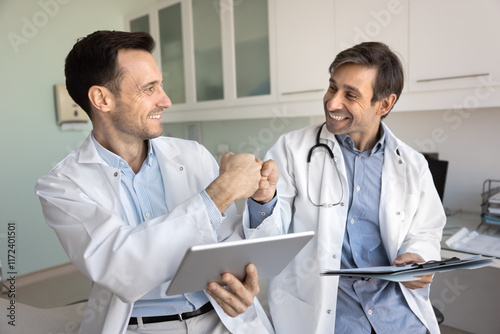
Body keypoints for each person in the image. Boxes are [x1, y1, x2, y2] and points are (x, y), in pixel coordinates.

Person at [34, 30, 278, 334]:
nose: (166, 101)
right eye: (149, 89)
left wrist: (261, 202)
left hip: (223, 320)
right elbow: (122, 268)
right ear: (101, 98)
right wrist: (222, 191)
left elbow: (227, 243)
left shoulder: (192, 154)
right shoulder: (62, 185)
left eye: (160, 85)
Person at [252, 42, 446, 333]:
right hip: (330, 314)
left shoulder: (412, 164)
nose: (332, 103)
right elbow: (267, 247)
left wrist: (418, 256)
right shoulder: (291, 150)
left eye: (350, 95)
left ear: (384, 104)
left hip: (397, 315)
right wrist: (264, 202)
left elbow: (426, 230)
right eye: (333, 88)